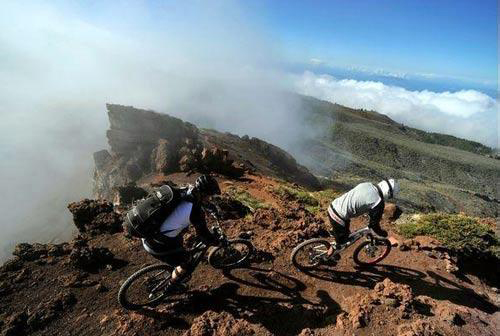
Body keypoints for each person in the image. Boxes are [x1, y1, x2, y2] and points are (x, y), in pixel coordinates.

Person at [141, 174, 221, 284]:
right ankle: (171, 285)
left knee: (180, 242)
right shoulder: (195, 212)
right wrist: (216, 241)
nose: (210, 198)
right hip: (157, 244)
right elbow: (203, 234)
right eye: (209, 196)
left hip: (149, 231)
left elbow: (196, 203)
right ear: (204, 194)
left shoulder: (184, 190)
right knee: (187, 262)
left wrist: (210, 207)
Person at [327, 178, 400, 251]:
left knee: (346, 231)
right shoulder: (378, 202)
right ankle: (328, 255)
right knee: (342, 243)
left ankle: (335, 232)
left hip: (334, 205)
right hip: (338, 216)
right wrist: (383, 234)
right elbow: (374, 225)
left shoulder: (367, 184)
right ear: (388, 193)